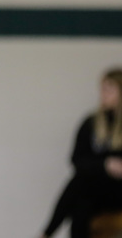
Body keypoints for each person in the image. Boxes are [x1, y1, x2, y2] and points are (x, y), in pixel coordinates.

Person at [40, 69, 122, 238]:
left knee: (79, 184)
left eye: (109, 89)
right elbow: (77, 160)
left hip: (118, 190)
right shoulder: (91, 123)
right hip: (95, 190)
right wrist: (104, 165)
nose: (103, 94)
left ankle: (46, 233)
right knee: (81, 206)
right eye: (102, 89)